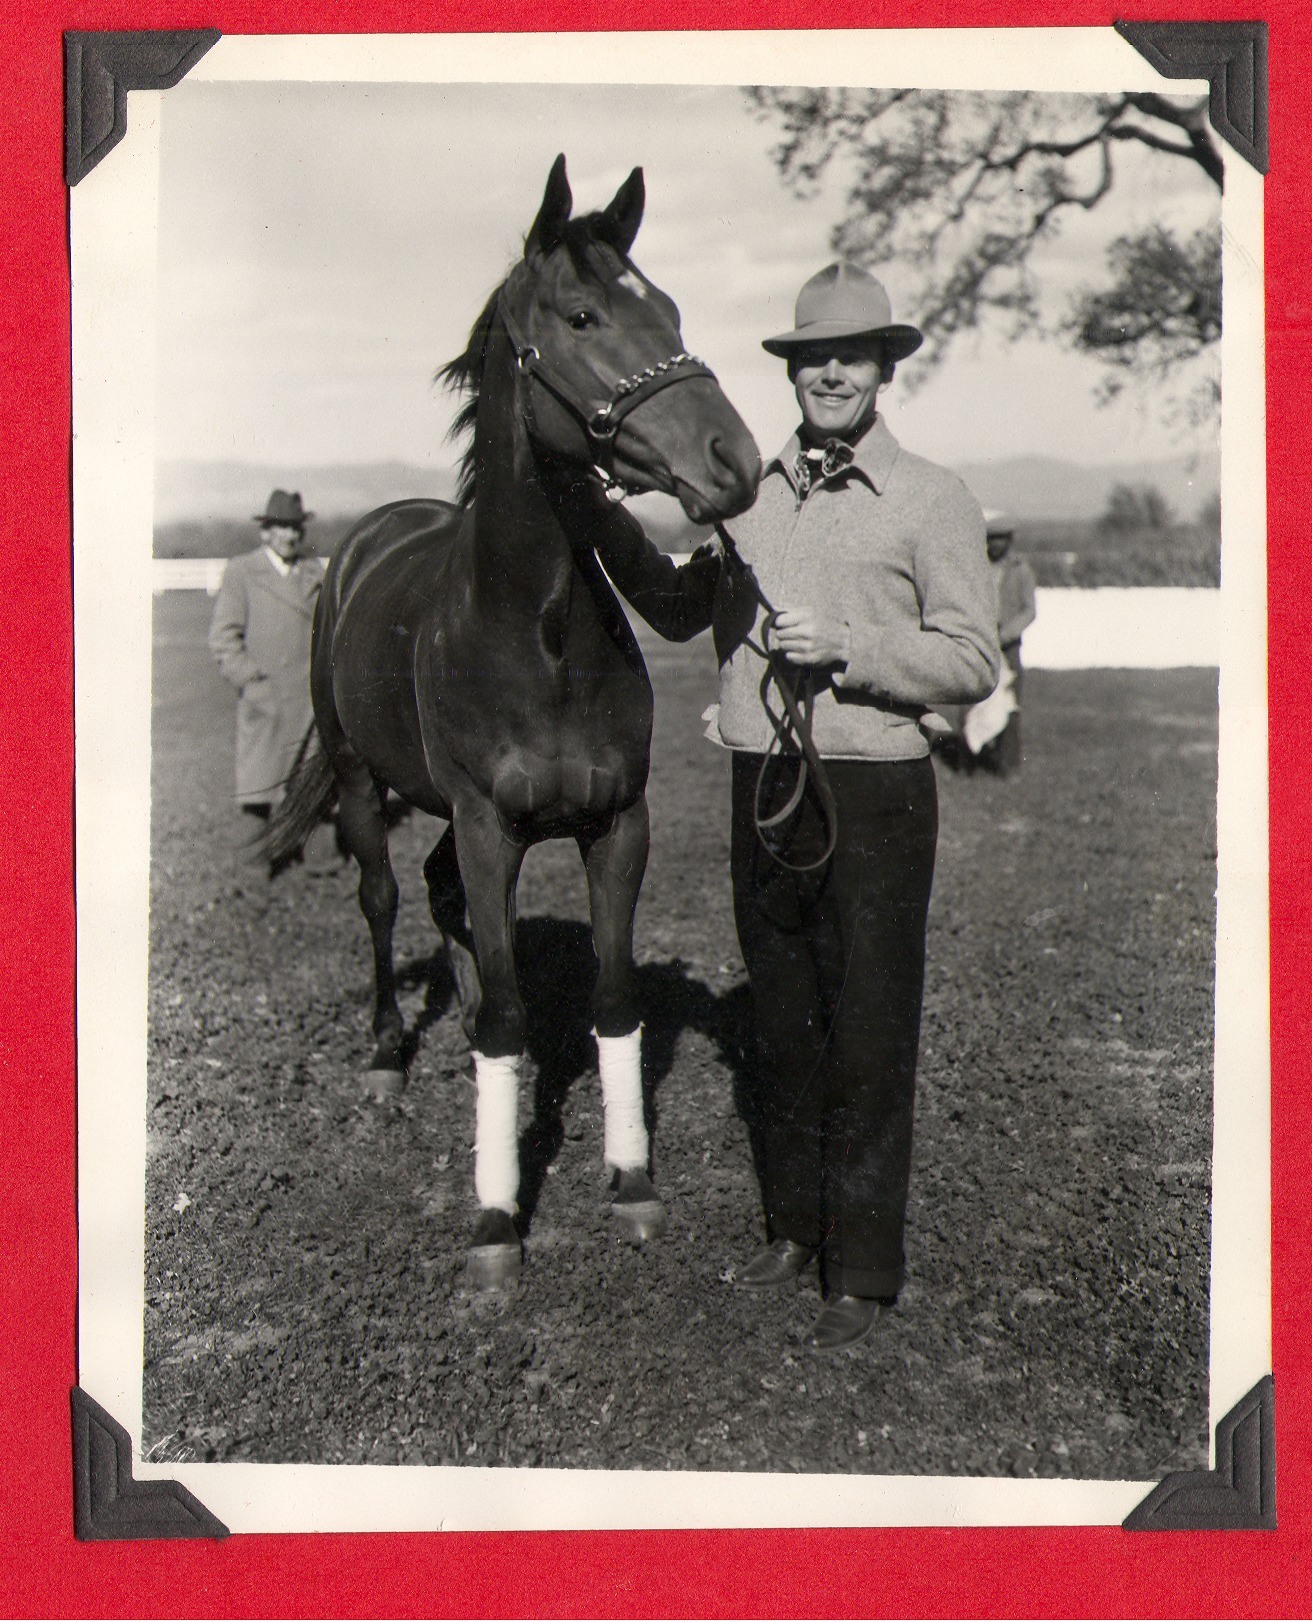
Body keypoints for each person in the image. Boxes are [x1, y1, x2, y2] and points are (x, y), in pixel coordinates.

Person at [587, 263, 1000, 1352]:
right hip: (758, 785)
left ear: (883, 367)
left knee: (866, 1020)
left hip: (875, 793)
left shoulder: (933, 496)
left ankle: (860, 1264)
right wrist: (603, 524)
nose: (829, 372)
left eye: (850, 355)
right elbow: (682, 608)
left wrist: (853, 651)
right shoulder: (746, 492)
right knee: (781, 1017)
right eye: (812, 355)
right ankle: (791, 1227)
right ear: (791, 368)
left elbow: (970, 660)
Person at [208, 489, 338, 885]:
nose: (290, 535)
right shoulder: (242, 572)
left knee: (314, 784)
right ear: (265, 532)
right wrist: (252, 682)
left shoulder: (315, 573)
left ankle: (323, 861)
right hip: (266, 700)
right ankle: (252, 869)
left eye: (296, 527)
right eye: (281, 527)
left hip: (310, 700)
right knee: (257, 788)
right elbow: (223, 639)